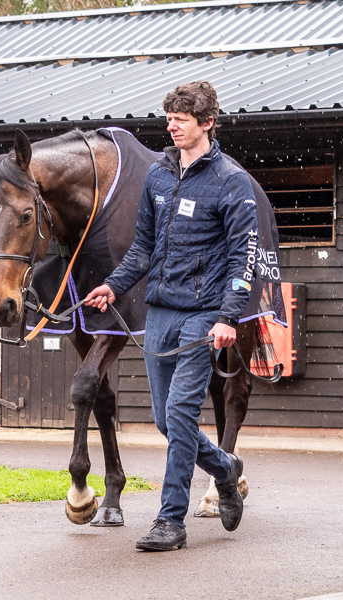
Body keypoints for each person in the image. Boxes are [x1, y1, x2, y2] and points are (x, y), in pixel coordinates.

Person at [85, 81, 259, 551]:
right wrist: (114, 285)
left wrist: (227, 316)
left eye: (182, 118)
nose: (172, 125)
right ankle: (225, 467)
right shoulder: (159, 177)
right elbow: (142, 247)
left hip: (204, 317)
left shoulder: (230, 180)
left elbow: (246, 256)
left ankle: (170, 521)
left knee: (182, 413)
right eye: (170, 117)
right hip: (160, 313)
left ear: (207, 123)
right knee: (166, 421)